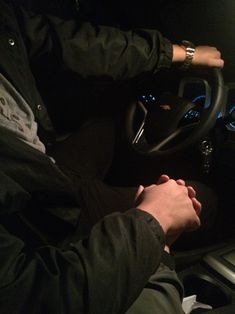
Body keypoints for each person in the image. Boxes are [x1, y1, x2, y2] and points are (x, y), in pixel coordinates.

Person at [0, 0, 224, 313]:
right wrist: (154, 224)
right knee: (204, 198)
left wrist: (180, 54)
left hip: (45, 170)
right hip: (43, 216)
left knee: (106, 125)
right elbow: (33, 294)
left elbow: (73, 41)